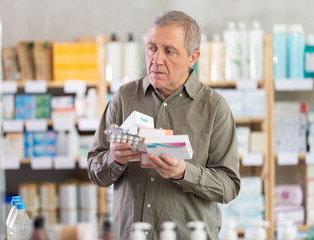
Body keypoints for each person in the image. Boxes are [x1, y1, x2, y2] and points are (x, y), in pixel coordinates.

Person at [87, 10, 240, 240]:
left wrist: (183, 172)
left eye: (169, 51)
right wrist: (114, 158)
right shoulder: (124, 98)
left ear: (193, 57)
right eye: (152, 48)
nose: (157, 59)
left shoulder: (214, 108)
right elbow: (94, 170)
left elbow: (229, 186)